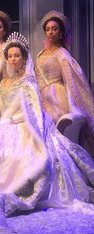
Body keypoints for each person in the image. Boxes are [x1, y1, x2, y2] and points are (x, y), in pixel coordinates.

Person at [0, 32, 94, 232]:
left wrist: (12, 121)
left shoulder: (28, 82)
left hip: (23, 125)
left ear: (24, 58)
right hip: (5, 123)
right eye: (10, 56)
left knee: (19, 154)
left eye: (17, 56)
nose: (13, 59)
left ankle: (13, 192)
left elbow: (32, 111)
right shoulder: (4, 82)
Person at [35, 10, 94, 147]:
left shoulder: (62, 54)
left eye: (54, 29)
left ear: (60, 32)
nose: (50, 32)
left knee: (54, 133)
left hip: (56, 96)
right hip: (40, 95)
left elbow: (74, 79)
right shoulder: (41, 53)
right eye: (48, 29)